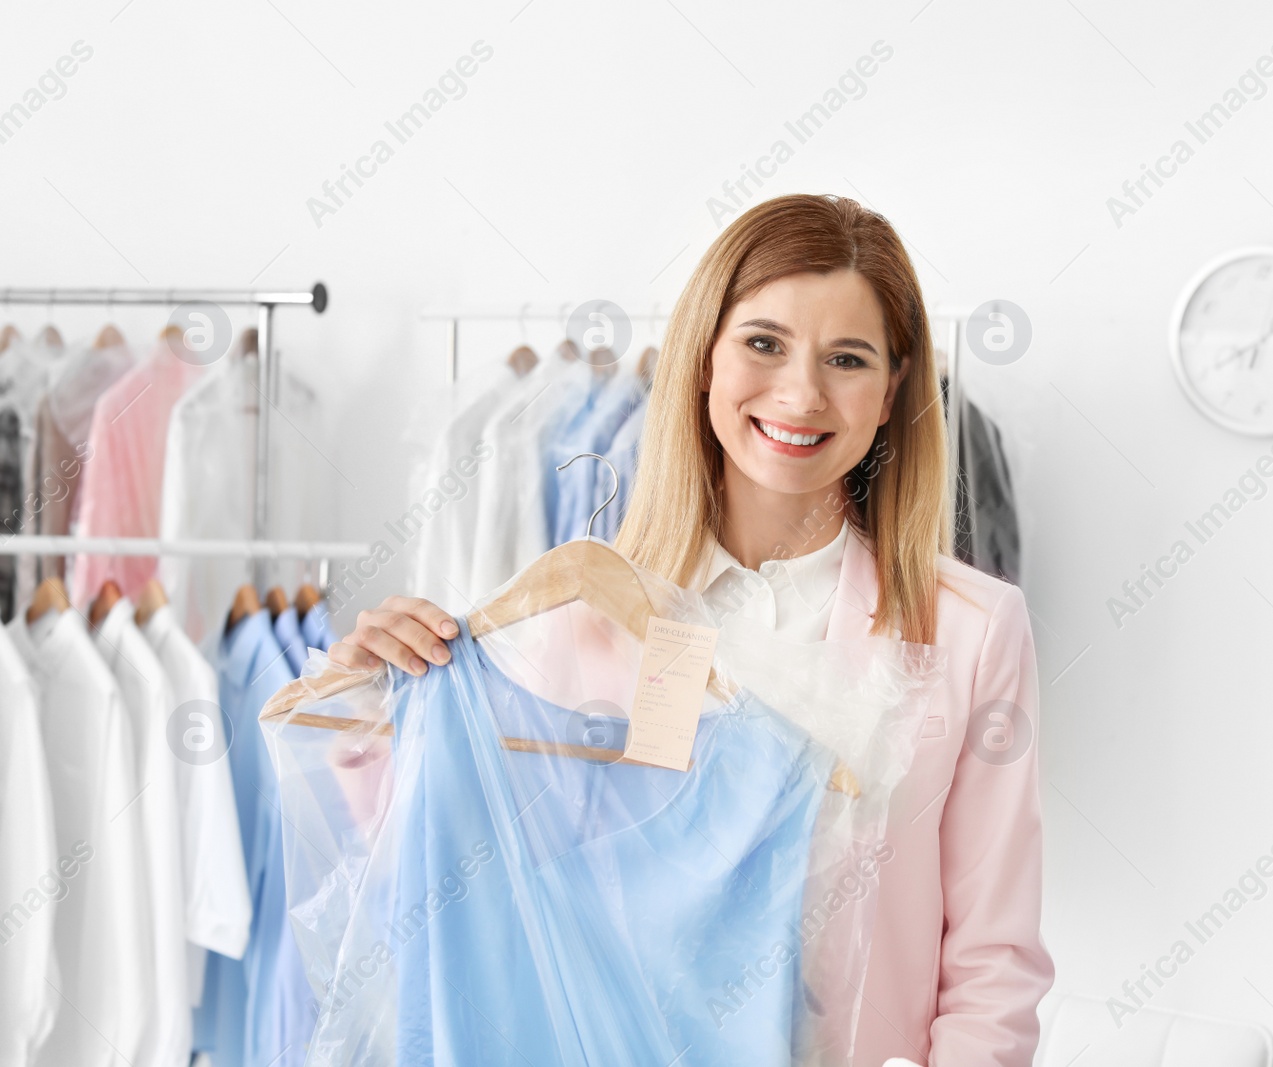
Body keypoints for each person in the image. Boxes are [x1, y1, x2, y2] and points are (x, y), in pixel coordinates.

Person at [330, 193, 1054, 1066]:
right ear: (703, 358)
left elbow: (992, 960)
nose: (802, 392)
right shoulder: (583, 620)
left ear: (893, 387)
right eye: (764, 343)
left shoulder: (973, 631)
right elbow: (471, 882)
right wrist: (376, 713)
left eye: (848, 358)